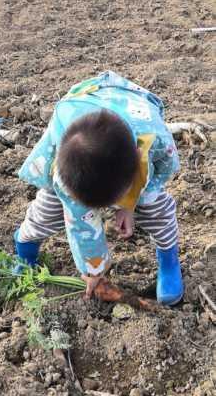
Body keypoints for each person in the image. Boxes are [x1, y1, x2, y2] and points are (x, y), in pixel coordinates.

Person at [14, 70, 184, 305]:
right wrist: (94, 271)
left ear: (137, 160)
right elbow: (82, 227)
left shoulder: (157, 143)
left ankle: (169, 260)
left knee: (157, 211)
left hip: (130, 109)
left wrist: (129, 204)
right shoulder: (65, 176)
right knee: (46, 213)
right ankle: (25, 249)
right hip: (79, 120)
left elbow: (162, 173)